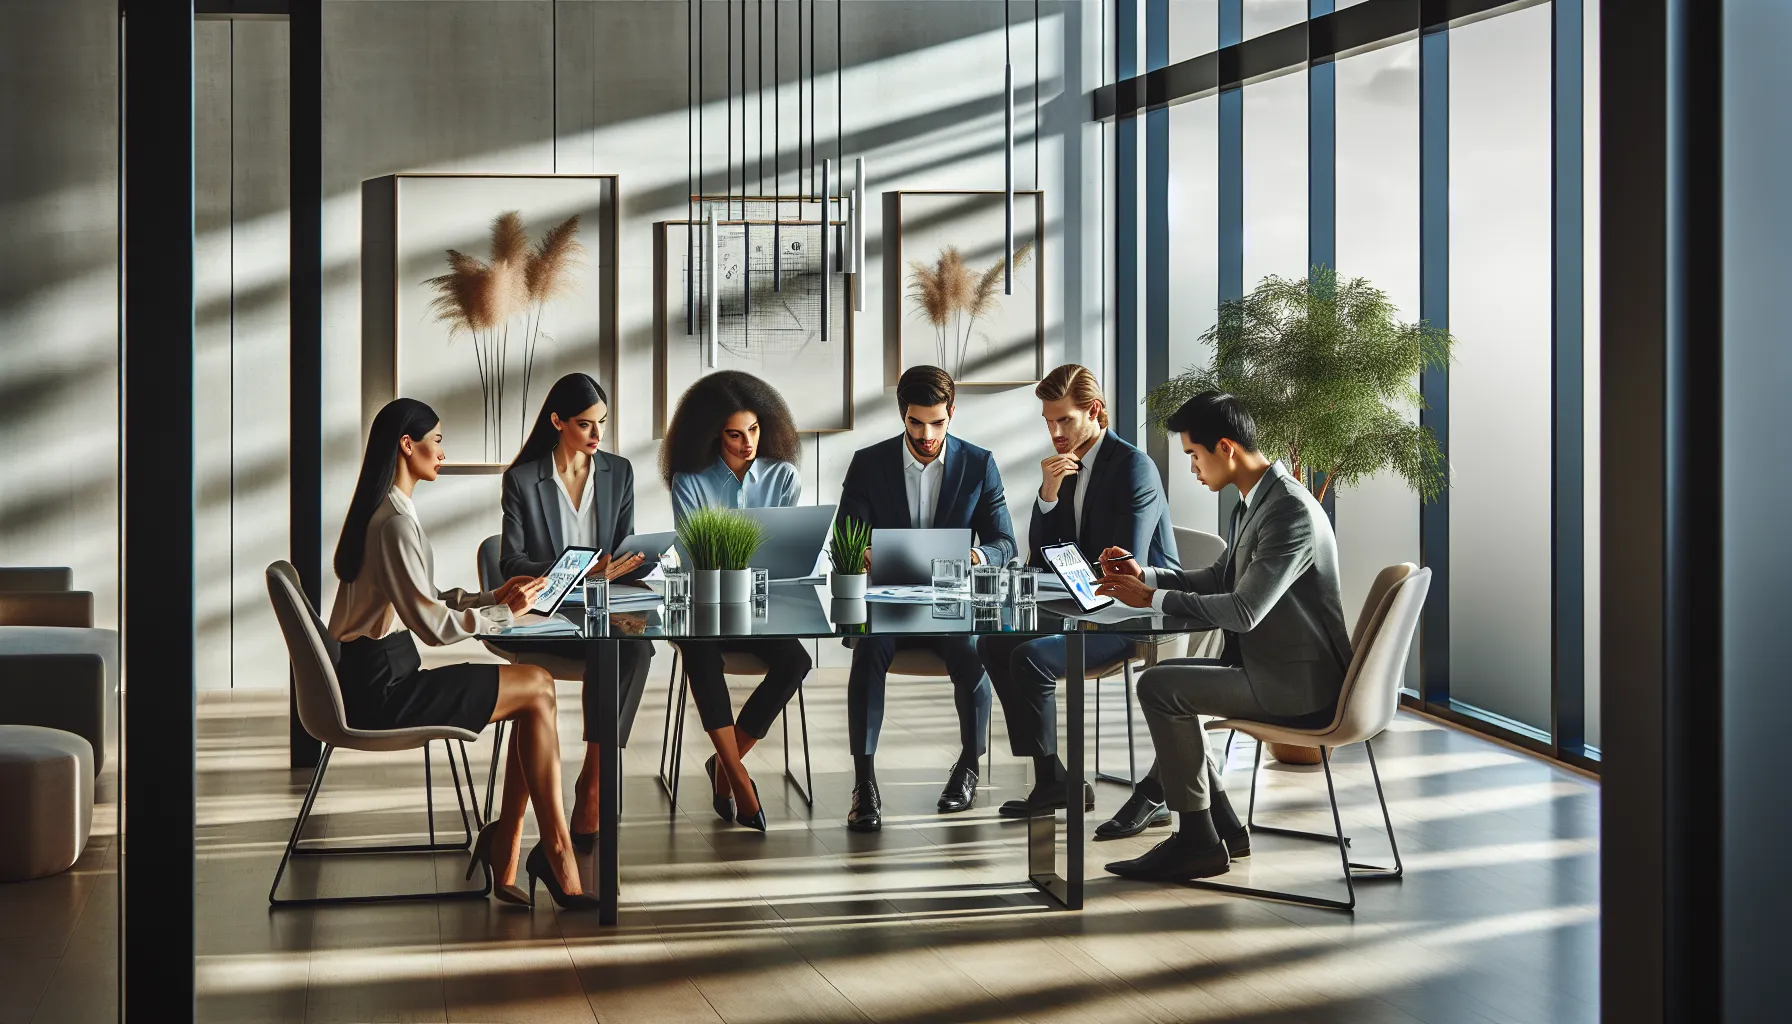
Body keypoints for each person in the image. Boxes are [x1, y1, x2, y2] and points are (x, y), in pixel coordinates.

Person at [327, 398, 592, 908]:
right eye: (438, 440)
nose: (443, 452)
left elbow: (424, 600)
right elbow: (430, 627)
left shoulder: (388, 511)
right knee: (537, 685)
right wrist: (504, 615)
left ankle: (514, 842)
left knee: (534, 689)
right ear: (409, 445)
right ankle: (549, 850)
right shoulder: (393, 523)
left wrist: (494, 596)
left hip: (380, 672)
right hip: (384, 691)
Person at [1093, 391, 1352, 882]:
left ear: (1226, 448)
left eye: (1193, 454)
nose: (1191, 467)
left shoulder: (1289, 512)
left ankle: (1196, 839)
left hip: (1299, 689)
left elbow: (1244, 610)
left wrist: (1147, 600)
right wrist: (1145, 576)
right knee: (1168, 682)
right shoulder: (1259, 500)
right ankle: (1224, 828)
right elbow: (1219, 577)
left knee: (1158, 687)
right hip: (1269, 670)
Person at [975, 364, 1179, 818]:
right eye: (1048, 421)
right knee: (993, 640)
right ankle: (1053, 781)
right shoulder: (1065, 468)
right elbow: (1043, 555)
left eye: (1064, 420)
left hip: (1137, 612)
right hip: (1085, 603)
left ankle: (1053, 783)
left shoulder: (1133, 468)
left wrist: (1075, 577)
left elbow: (1124, 565)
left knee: (1029, 657)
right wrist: (1048, 493)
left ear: (1096, 412)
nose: (1055, 431)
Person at [835, 364, 1016, 832]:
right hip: (888, 602)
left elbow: (1004, 542)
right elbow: (846, 538)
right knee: (868, 650)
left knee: (974, 649)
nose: (927, 434)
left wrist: (976, 555)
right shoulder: (868, 463)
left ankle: (969, 766)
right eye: (917, 422)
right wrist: (864, 551)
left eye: (938, 422)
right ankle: (864, 782)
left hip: (950, 602)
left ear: (952, 413)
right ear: (902, 414)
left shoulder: (979, 464)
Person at [496, 373, 654, 848]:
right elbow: (511, 563)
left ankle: (594, 779)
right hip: (544, 617)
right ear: (557, 422)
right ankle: (589, 792)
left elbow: (623, 549)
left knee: (637, 650)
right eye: (585, 425)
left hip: (603, 609)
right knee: (613, 652)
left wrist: (627, 564)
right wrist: (577, 571)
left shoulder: (619, 472)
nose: (597, 435)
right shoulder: (522, 480)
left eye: (602, 423)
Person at [661, 370, 813, 832]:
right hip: (705, 604)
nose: (747, 443)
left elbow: (782, 553)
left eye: (754, 430)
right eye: (734, 434)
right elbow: (694, 559)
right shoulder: (690, 481)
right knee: (699, 650)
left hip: (760, 606)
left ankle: (724, 765)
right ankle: (740, 780)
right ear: (712, 434)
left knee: (797, 661)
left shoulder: (783, 477)